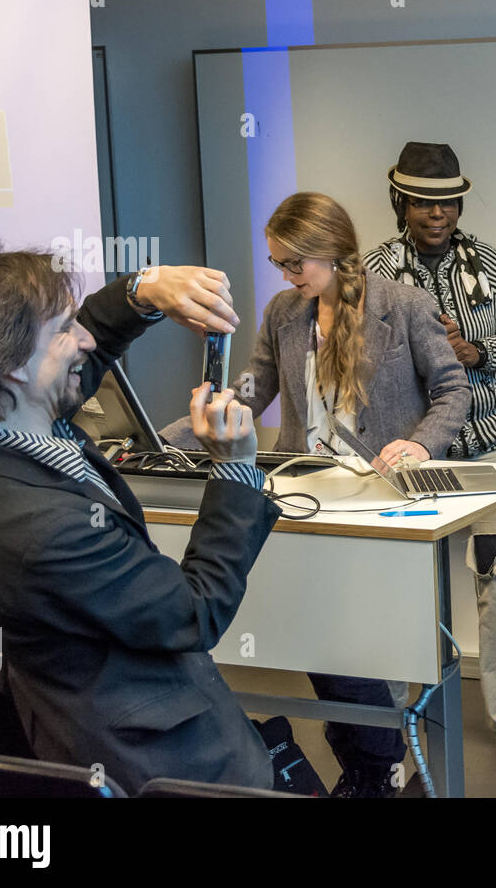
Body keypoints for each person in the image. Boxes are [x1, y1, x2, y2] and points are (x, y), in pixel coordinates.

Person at [0, 247, 281, 794]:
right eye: (64, 329)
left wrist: (143, 291)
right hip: (153, 756)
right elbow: (194, 612)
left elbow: (76, 365)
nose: (84, 339)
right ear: (10, 368)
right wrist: (234, 468)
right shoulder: (43, 530)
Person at [163, 191, 471, 795]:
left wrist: (421, 445)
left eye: (292, 264)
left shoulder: (403, 305)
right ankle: (370, 764)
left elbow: (453, 389)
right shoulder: (284, 312)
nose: (283, 275)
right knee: (326, 637)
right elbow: (252, 391)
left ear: (328, 253)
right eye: (277, 263)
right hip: (312, 498)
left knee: (373, 643)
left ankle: (384, 761)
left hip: (383, 499)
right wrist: (172, 436)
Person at [362, 142, 496, 763]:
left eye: (445, 201)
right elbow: (361, 356)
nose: (435, 213)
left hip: (494, 445)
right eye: (421, 201)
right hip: (417, 449)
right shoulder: (378, 269)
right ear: (401, 202)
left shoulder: (488, 261)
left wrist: (479, 352)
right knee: (404, 581)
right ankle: (389, 724)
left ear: (458, 203)